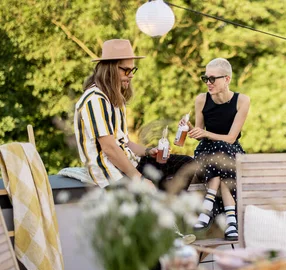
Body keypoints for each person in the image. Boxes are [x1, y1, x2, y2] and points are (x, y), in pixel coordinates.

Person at [74, 39, 195, 191]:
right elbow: (110, 148)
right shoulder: (95, 100)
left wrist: (147, 151)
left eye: (133, 70)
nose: (131, 75)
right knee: (154, 192)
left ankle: (164, 204)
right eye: (126, 70)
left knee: (187, 164)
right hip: (113, 173)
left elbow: (124, 142)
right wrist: (140, 179)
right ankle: (161, 204)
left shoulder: (115, 98)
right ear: (110, 69)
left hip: (130, 164)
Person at [186, 58, 250, 241]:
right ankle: (231, 220)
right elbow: (200, 133)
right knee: (219, 156)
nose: (208, 82)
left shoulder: (242, 101)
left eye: (212, 79)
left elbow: (231, 138)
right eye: (205, 78)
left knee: (223, 151)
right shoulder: (201, 99)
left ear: (227, 79)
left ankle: (208, 206)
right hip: (206, 151)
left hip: (231, 149)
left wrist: (206, 133)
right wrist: (190, 128)